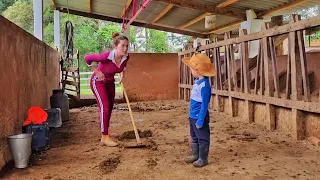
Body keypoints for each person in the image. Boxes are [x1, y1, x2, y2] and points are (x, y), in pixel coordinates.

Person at [84, 32, 129, 147]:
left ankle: (106, 132)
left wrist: (123, 75)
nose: (125, 48)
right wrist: (97, 71)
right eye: (122, 46)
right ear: (115, 46)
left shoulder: (126, 57)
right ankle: (104, 137)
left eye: (126, 46)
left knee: (109, 108)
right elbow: (87, 58)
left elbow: (124, 66)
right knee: (105, 107)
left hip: (110, 83)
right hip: (98, 82)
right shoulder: (106, 56)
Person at [182, 53, 216, 167]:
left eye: (192, 69)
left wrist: (200, 120)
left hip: (199, 116)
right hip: (193, 115)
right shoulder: (198, 82)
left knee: (202, 137)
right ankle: (195, 155)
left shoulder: (205, 86)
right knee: (194, 136)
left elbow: (204, 105)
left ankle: (203, 158)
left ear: (198, 71)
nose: (191, 71)